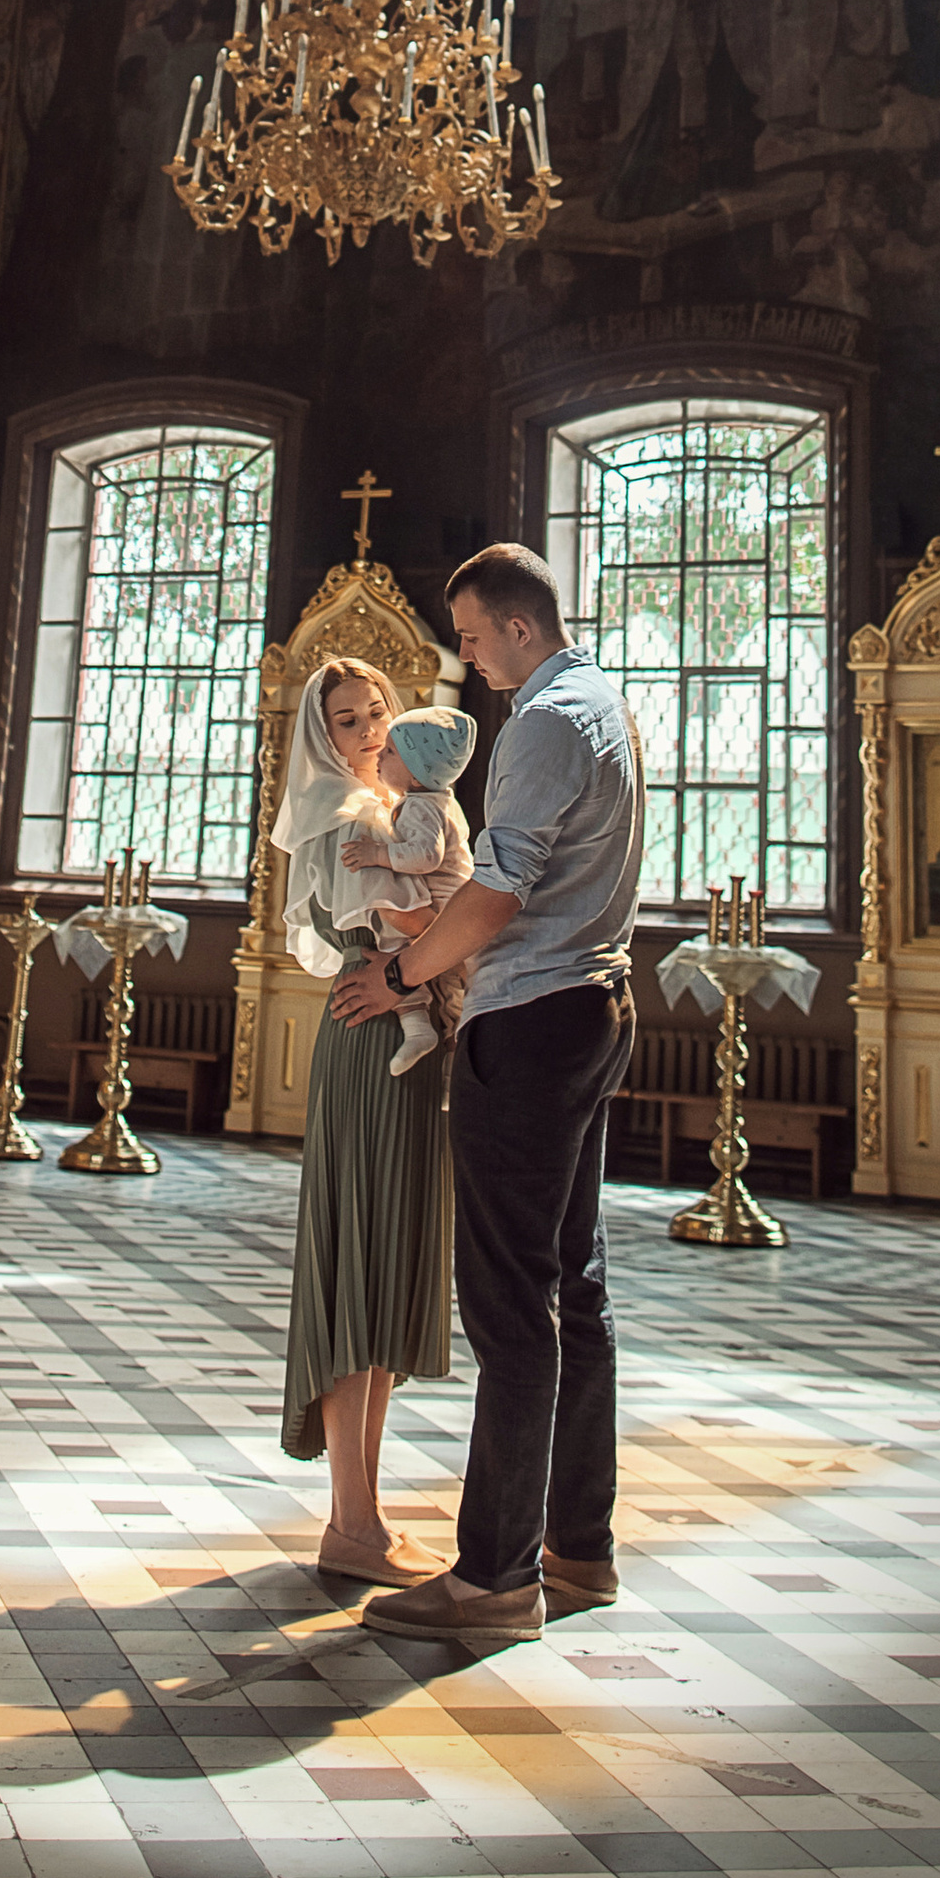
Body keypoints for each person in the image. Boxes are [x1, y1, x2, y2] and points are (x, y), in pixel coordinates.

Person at [330, 542, 641, 1637]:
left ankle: (495, 1578)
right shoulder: (600, 700)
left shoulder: (548, 720)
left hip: (533, 1017)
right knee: (572, 1288)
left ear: (516, 625)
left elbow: (500, 888)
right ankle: (577, 1546)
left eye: (466, 634)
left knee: (511, 1301)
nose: (461, 656)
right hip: (592, 1005)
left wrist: (402, 971)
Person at [274, 655, 454, 1589]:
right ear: (321, 735)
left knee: (385, 1273)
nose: (370, 729)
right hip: (370, 1034)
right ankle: (350, 1518)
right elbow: (386, 931)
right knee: (361, 1268)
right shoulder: (346, 816)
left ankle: (365, 1515)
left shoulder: (385, 811)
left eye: (378, 711)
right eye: (348, 720)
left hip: (394, 1028)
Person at [337, 705, 478, 1076]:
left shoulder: (421, 807)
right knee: (451, 995)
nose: (380, 755)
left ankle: (421, 1033)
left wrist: (377, 853)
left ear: (417, 774)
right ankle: (445, 1060)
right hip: (452, 909)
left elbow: (425, 856)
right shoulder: (432, 800)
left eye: (391, 753)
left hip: (444, 909)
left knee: (406, 960)